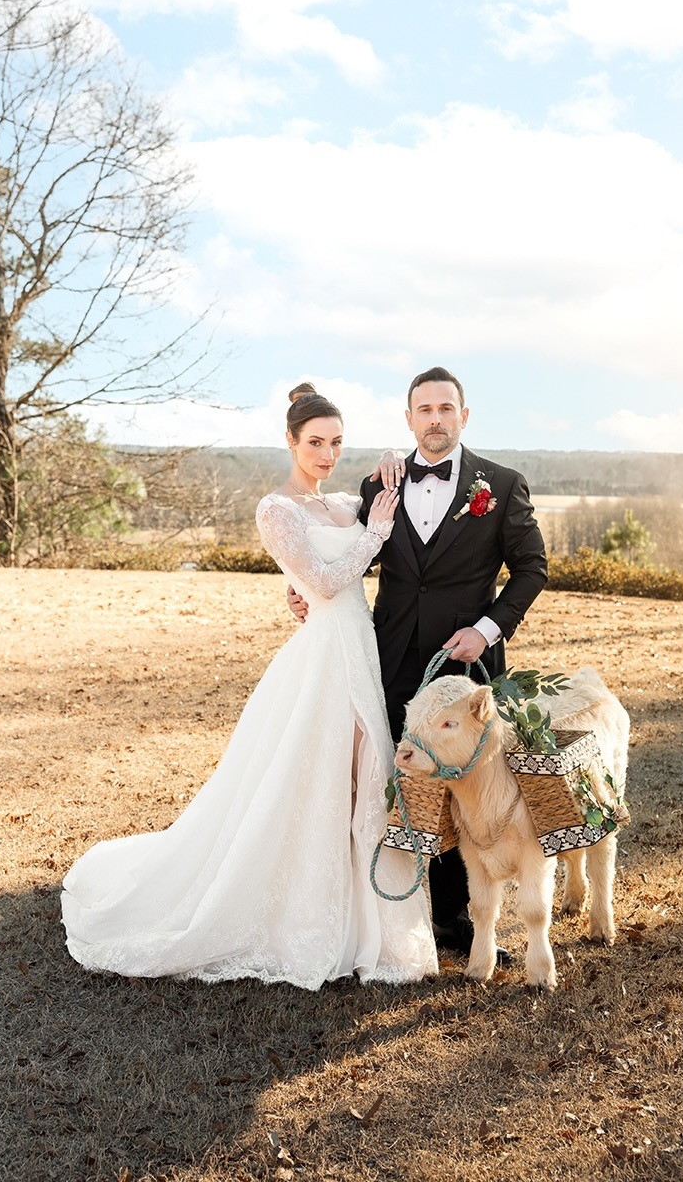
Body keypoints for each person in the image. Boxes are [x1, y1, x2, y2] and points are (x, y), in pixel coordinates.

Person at [61, 384, 437, 989]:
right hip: (322, 656)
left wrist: (388, 477)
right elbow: (324, 578)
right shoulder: (275, 509)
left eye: (337, 442)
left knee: (361, 773)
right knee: (311, 775)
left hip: (359, 646)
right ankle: (304, 913)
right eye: (315, 443)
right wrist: (374, 536)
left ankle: (367, 917)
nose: (327, 453)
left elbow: (361, 522)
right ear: (291, 441)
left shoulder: (343, 502)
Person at [290, 366, 547, 957]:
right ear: (408, 419)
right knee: (387, 780)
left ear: (463, 415)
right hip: (387, 655)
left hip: (465, 672)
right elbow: (347, 554)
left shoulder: (503, 486)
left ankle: (455, 921)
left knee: (463, 786)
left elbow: (532, 569)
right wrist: (304, 589)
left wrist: (486, 631)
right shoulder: (377, 482)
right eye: (423, 410)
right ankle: (381, 913)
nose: (435, 419)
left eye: (445, 408)